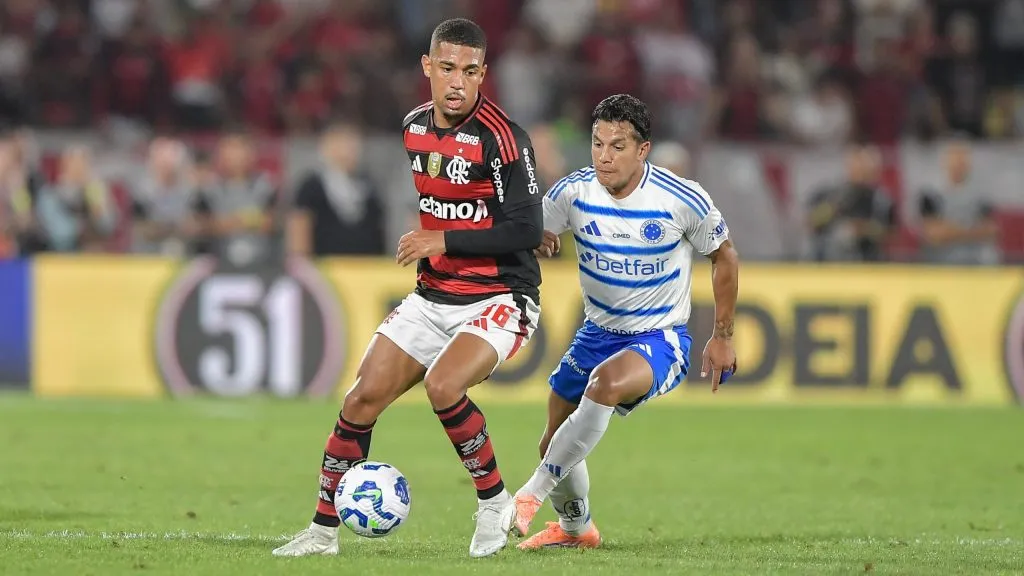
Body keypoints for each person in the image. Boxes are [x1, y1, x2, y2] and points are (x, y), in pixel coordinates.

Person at [272, 18, 544, 559]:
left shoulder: (504, 137)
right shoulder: (413, 127)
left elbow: (526, 230)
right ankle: (323, 533)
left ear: (483, 73)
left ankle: (494, 503)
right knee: (359, 400)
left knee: (443, 386)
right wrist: (444, 242)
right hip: (432, 296)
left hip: (500, 297)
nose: (458, 82)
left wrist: (442, 236)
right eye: (447, 68)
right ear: (428, 67)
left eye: (470, 71)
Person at [510, 94, 740, 549]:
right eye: (597, 143)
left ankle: (529, 494)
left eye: (617, 146)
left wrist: (722, 336)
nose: (604, 156)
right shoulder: (574, 192)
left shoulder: (681, 199)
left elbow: (724, 256)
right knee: (554, 442)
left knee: (603, 385)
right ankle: (577, 530)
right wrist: (535, 240)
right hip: (597, 332)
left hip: (661, 336)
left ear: (643, 150)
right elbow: (529, 232)